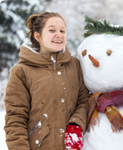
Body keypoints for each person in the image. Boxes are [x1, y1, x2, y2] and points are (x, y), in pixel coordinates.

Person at [4, 12, 90, 150]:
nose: (59, 34)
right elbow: (16, 119)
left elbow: (85, 100)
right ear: (37, 36)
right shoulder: (21, 72)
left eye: (62, 31)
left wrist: (76, 124)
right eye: (52, 30)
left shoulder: (75, 65)